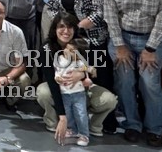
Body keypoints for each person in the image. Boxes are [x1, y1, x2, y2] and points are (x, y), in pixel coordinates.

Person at [104, 0, 162, 147]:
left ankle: (155, 128)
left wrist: (150, 49)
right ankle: (132, 125)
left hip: (151, 38)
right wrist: (119, 45)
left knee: (150, 83)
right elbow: (110, 14)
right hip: (122, 37)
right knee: (124, 83)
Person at [37, 9, 118, 139]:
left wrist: (81, 75)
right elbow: (52, 82)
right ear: (54, 29)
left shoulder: (83, 43)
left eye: (70, 27)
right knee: (43, 92)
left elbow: (93, 70)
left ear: (75, 29)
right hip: (60, 87)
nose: (66, 31)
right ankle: (55, 122)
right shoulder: (46, 48)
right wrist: (62, 117)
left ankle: (92, 126)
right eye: (61, 27)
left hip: (81, 89)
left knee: (110, 100)